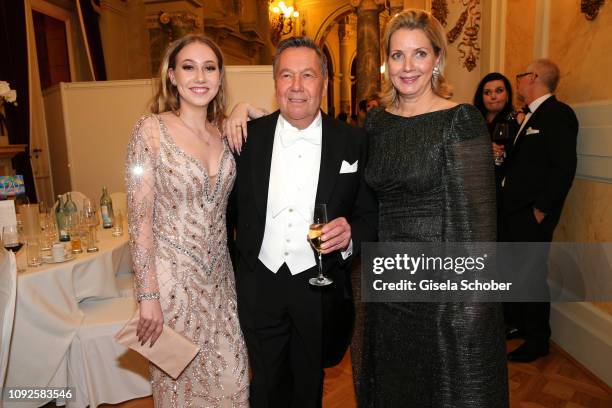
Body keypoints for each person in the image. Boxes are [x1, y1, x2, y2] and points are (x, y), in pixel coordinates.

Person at [359, 9, 508, 407]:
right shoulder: (377, 123)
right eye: (397, 55)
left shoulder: (461, 120)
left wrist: (471, 309)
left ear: (438, 59)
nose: (407, 67)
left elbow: (479, 227)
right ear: (386, 62)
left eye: (419, 54)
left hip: (440, 296)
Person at [228, 36, 377, 407]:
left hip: (318, 285)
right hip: (259, 283)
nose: (296, 87)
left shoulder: (354, 141)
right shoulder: (246, 137)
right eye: (286, 75)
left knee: (309, 385)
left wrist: (351, 234)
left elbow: (370, 214)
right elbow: (222, 210)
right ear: (275, 82)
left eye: (307, 75)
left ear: (324, 84)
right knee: (265, 382)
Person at [125, 34, 250, 406]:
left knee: (235, 381)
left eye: (209, 68)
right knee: (182, 389)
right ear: (172, 76)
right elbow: (138, 221)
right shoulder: (149, 130)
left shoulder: (226, 132)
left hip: (221, 282)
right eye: (189, 67)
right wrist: (148, 298)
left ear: (220, 77)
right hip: (170, 284)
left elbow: (273, 119)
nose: (200, 77)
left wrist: (245, 107)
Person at [501, 59, 578, 362]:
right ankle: (520, 324)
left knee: (532, 276)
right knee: (517, 273)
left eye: (521, 76)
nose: (517, 81)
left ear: (533, 77)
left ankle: (537, 341)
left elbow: (563, 167)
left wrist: (541, 210)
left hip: (532, 215)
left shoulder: (558, 114)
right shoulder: (529, 116)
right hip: (514, 212)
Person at [473, 72, 521, 235]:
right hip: (475, 190)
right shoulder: (473, 121)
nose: (493, 96)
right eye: (487, 93)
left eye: (499, 91)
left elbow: (521, 157)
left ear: (508, 95)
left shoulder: (516, 119)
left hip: (503, 192)